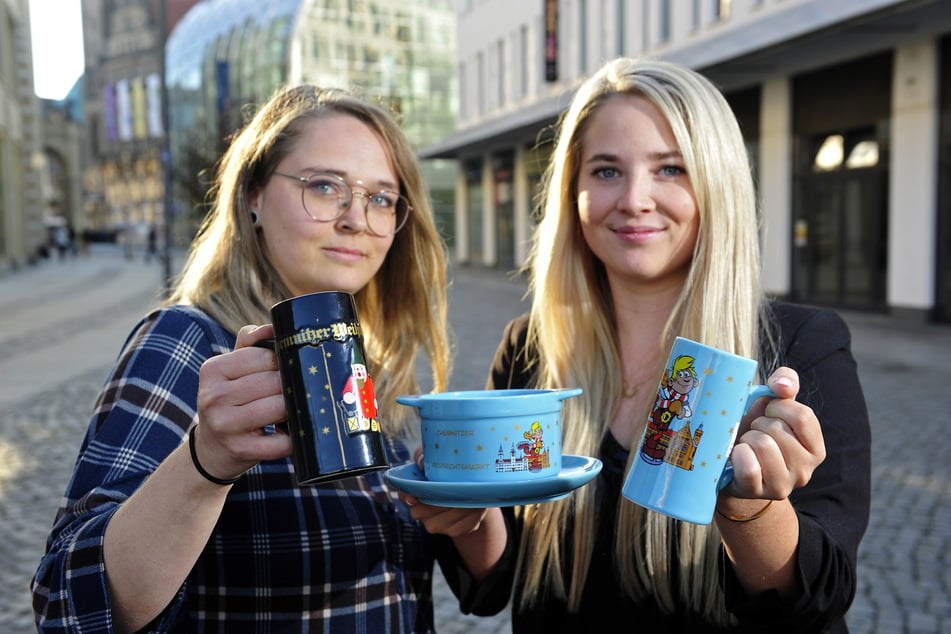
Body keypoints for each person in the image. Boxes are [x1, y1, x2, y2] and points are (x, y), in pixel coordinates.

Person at [401, 58, 871, 632]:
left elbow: (813, 604)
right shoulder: (531, 348)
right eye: (605, 171)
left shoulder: (801, 347)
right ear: (572, 193)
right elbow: (499, 580)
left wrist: (752, 508)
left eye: (670, 169)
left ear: (716, 185)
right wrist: (468, 518)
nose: (634, 199)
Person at [31, 84, 501, 632]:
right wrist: (204, 463)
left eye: (380, 198)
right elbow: (69, 602)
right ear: (254, 195)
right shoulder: (189, 342)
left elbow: (482, 588)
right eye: (325, 187)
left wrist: (471, 512)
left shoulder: (368, 359)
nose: (355, 219)